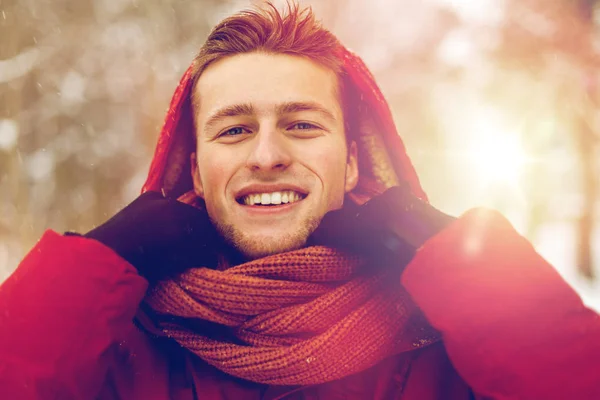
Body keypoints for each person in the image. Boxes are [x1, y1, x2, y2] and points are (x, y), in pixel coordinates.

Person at [1, 3, 599, 399]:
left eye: (303, 124)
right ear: (194, 170)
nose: (266, 155)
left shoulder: (445, 337)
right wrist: (98, 259)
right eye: (233, 129)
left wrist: (466, 261)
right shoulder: (122, 343)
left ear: (354, 161)